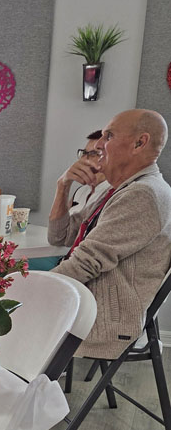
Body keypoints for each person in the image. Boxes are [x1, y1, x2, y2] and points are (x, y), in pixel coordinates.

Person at [52, 109, 171, 359]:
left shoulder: (142, 194)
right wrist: (63, 185)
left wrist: (31, 288)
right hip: (88, 303)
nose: (98, 145)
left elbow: (85, 263)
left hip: (100, 320)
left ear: (140, 143)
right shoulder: (119, 190)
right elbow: (60, 237)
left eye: (109, 136)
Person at [47, 129, 113, 249]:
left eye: (93, 154)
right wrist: (62, 184)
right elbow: (57, 237)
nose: (84, 160)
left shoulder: (113, 194)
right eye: (84, 153)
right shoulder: (81, 191)